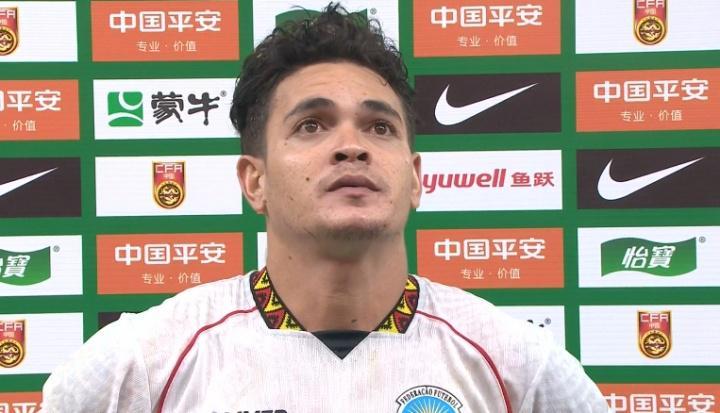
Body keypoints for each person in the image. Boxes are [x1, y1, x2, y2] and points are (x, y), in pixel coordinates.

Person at [41, 3, 609, 412]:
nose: (351, 146)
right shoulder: (143, 364)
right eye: (312, 125)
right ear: (255, 181)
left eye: (380, 127)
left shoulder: (519, 367)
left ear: (414, 178)